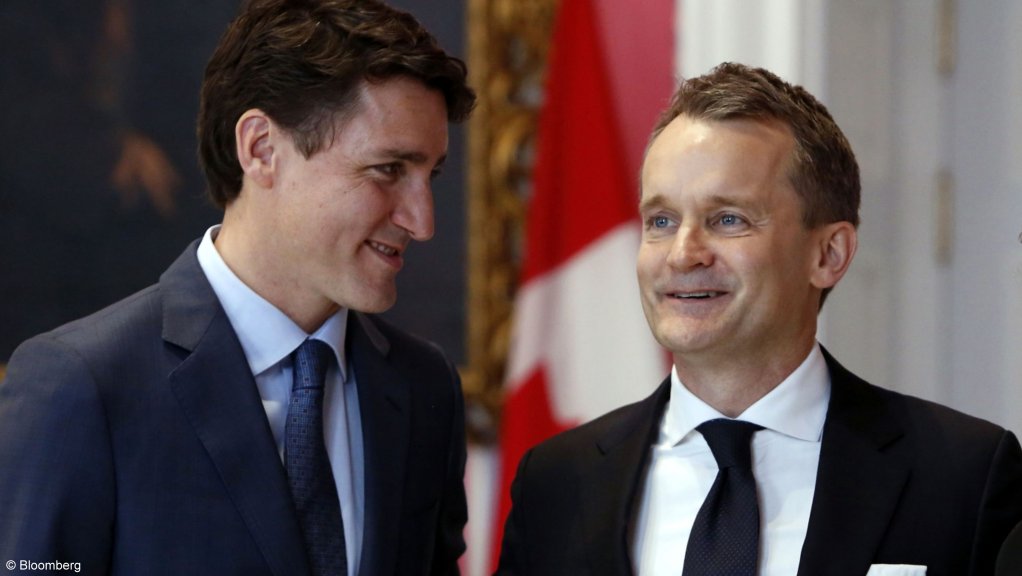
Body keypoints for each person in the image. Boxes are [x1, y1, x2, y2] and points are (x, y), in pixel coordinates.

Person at [0, 0, 475, 574]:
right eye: (388, 169)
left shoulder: (424, 389)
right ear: (261, 149)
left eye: (431, 176)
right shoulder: (83, 385)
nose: (422, 222)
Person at [494, 63, 1022, 576]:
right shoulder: (557, 481)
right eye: (661, 220)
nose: (683, 254)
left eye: (728, 219)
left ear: (828, 254)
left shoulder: (963, 475)